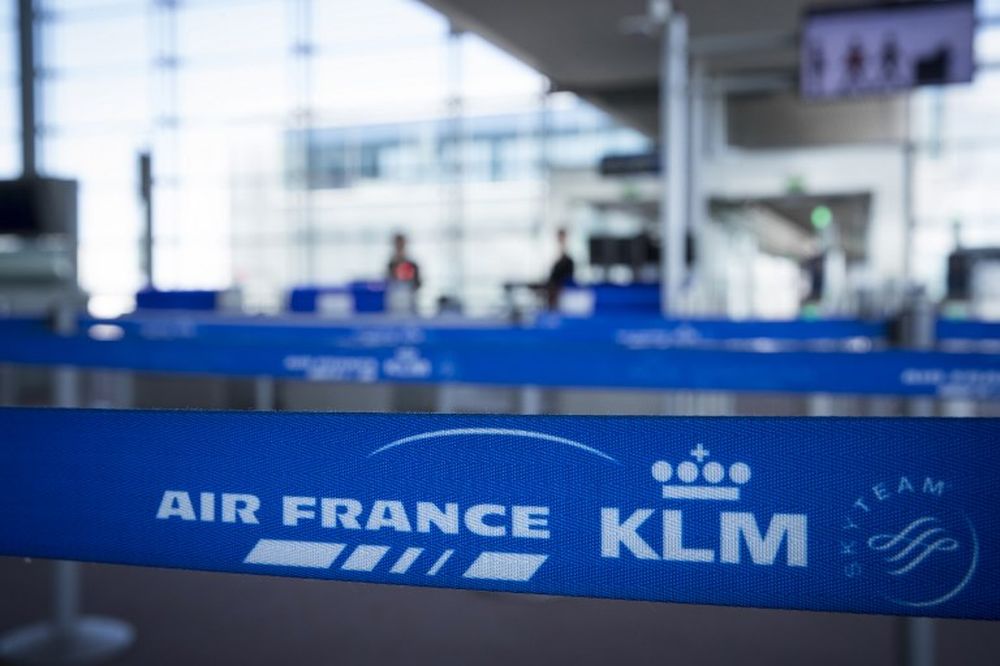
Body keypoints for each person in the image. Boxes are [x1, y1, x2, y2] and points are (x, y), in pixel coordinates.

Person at [545, 228, 575, 309]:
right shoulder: (554, 254)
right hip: (553, 286)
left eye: (562, 237)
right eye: (559, 237)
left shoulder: (568, 259)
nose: (560, 239)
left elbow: (569, 275)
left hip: (562, 287)